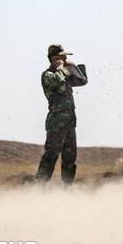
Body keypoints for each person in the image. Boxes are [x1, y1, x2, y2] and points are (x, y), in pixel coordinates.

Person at [35, 44, 88, 186]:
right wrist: (60, 68)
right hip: (56, 122)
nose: (65, 59)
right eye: (62, 57)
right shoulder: (48, 75)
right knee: (51, 155)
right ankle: (40, 186)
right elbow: (56, 81)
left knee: (70, 157)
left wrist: (74, 67)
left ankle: (68, 187)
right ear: (54, 58)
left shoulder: (64, 74)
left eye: (65, 57)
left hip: (70, 122)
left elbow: (82, 81)